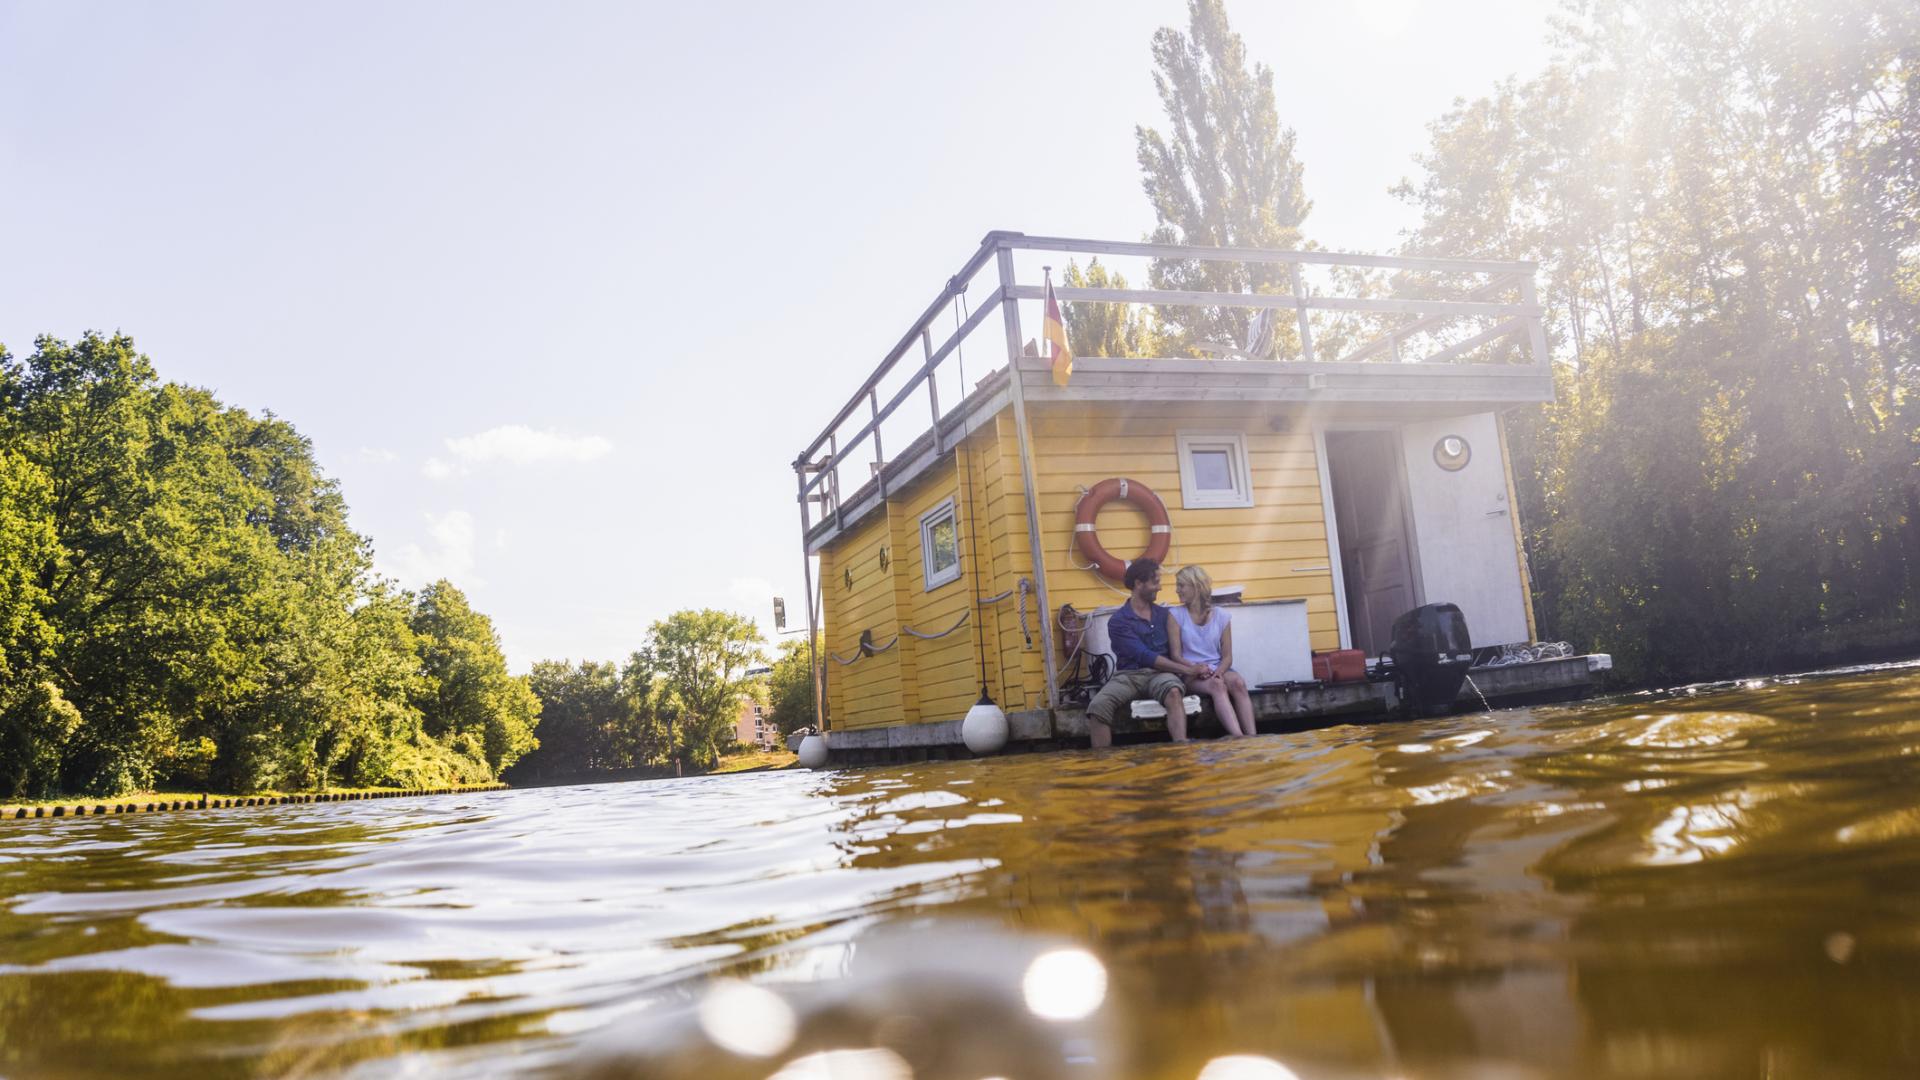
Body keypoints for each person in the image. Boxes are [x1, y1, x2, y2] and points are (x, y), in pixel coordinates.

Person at [1086, 557, 1208, 747]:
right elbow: (1145, 656)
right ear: (1138, 583)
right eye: (1155, 582)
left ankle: (1182, 748)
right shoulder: (1119, 621)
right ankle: (1103, 764)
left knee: (1174, 692)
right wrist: (1189, 671)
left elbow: (1186, 643)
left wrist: (1203, 667)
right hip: (1128, 676)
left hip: (1161, 675)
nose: (1159, 587)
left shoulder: (1165, 615)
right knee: (1097, 706)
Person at [1169, 565, 1258, 737]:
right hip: (1190, 671)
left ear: (1195, 586)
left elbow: (1227, 657)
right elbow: (1176, 655)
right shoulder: (1175, 615)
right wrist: (1197, 668)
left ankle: (1253, 737)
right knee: (1217, 686)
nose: (1177, 590)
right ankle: (1239, 738)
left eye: (1181, 585)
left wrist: (1217, 671)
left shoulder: (1221, 616)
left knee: (1238, 683)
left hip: (1218, 667)